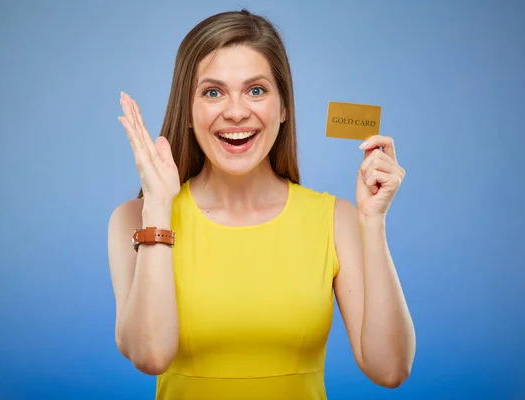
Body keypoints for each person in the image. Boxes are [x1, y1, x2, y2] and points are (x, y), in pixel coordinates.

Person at [108, 9, 415, 400]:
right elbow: (150, 355)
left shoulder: (336, 221)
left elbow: (390, 369)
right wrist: (157, 207)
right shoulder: (134, 219)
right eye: (213, 92)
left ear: (283, 108)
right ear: (187, 110)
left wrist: (373, 222)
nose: (236, 111)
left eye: (256, 90)